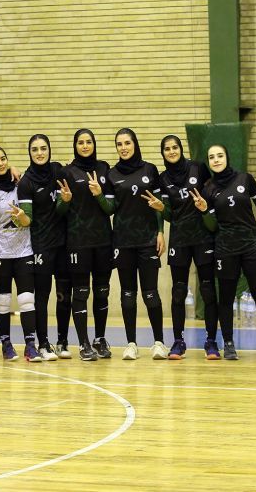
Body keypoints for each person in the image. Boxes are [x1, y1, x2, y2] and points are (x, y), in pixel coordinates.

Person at [192, 144, 256, 359]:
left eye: (220, 155)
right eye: (212, 157)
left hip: (251, 245)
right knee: (226, 298)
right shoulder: (208, 189)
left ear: (227, 157)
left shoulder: (245, 179)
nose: (216, 160)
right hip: (225, 248)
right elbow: (212, 226)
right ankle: (228, 343)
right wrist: (204, 210)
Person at [155, 134, 218, 360]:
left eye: (175, 147)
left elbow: (213, 193)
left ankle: (211, 341)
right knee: (178, 292)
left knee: (208, 290)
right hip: (180, 239)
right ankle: (178, 342)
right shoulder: (163, 179)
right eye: (167, 149)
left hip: (203, 237)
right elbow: (169, 214)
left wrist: (207, 209)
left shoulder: (198, 168)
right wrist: (162, 209)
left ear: (181, 149)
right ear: (163, 153)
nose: (171, 151)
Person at [107, 128, 166, 360]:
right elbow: (110, 208)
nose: (123, 148)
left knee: (151, 293)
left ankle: (159, 343)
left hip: (148, 240)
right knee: (128, 294)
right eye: (119, 144)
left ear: (135, 144)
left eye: (127, 143)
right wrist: (99, 195)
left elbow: (158, 204)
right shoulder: (112, 174)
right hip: (123, 241)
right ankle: (131, 343)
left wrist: (160, 232)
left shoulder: (150, 169)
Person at [55, 129, 113, 360]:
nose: (85, 146)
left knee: (102, 292)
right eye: (81, 142)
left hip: (103, 241)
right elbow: (59, 211)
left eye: (89, 142)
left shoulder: (104, 169)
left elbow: (110, 208)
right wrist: (65, 201)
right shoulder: (66, 172)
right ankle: (83, 343)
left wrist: (99, 194)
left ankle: (100, 339)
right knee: (81, 292)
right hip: (78, 242)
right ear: (75, 146)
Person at [0, 146, 41, 362]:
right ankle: (6, 344)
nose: (0, 163)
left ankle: (30, 345)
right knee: (3, 302)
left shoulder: (21, 184)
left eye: (3, 159)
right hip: (0, 253)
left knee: (27, 300)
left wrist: (22, 217)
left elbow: (28, 220)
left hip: (24, 251)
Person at [17, 134, 71, 361]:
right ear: (29, 153)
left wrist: (65, 201)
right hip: (40, 245)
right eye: (35, 149)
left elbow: (60, 211)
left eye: (43, 148)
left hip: (63, 244)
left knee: (64, 294)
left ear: (49, 150)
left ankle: (62, 341)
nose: (39, 153)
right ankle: (43, 343)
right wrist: (21, 218)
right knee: (42, 296)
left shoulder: (58, 172)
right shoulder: (26, 182)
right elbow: (27, 218)